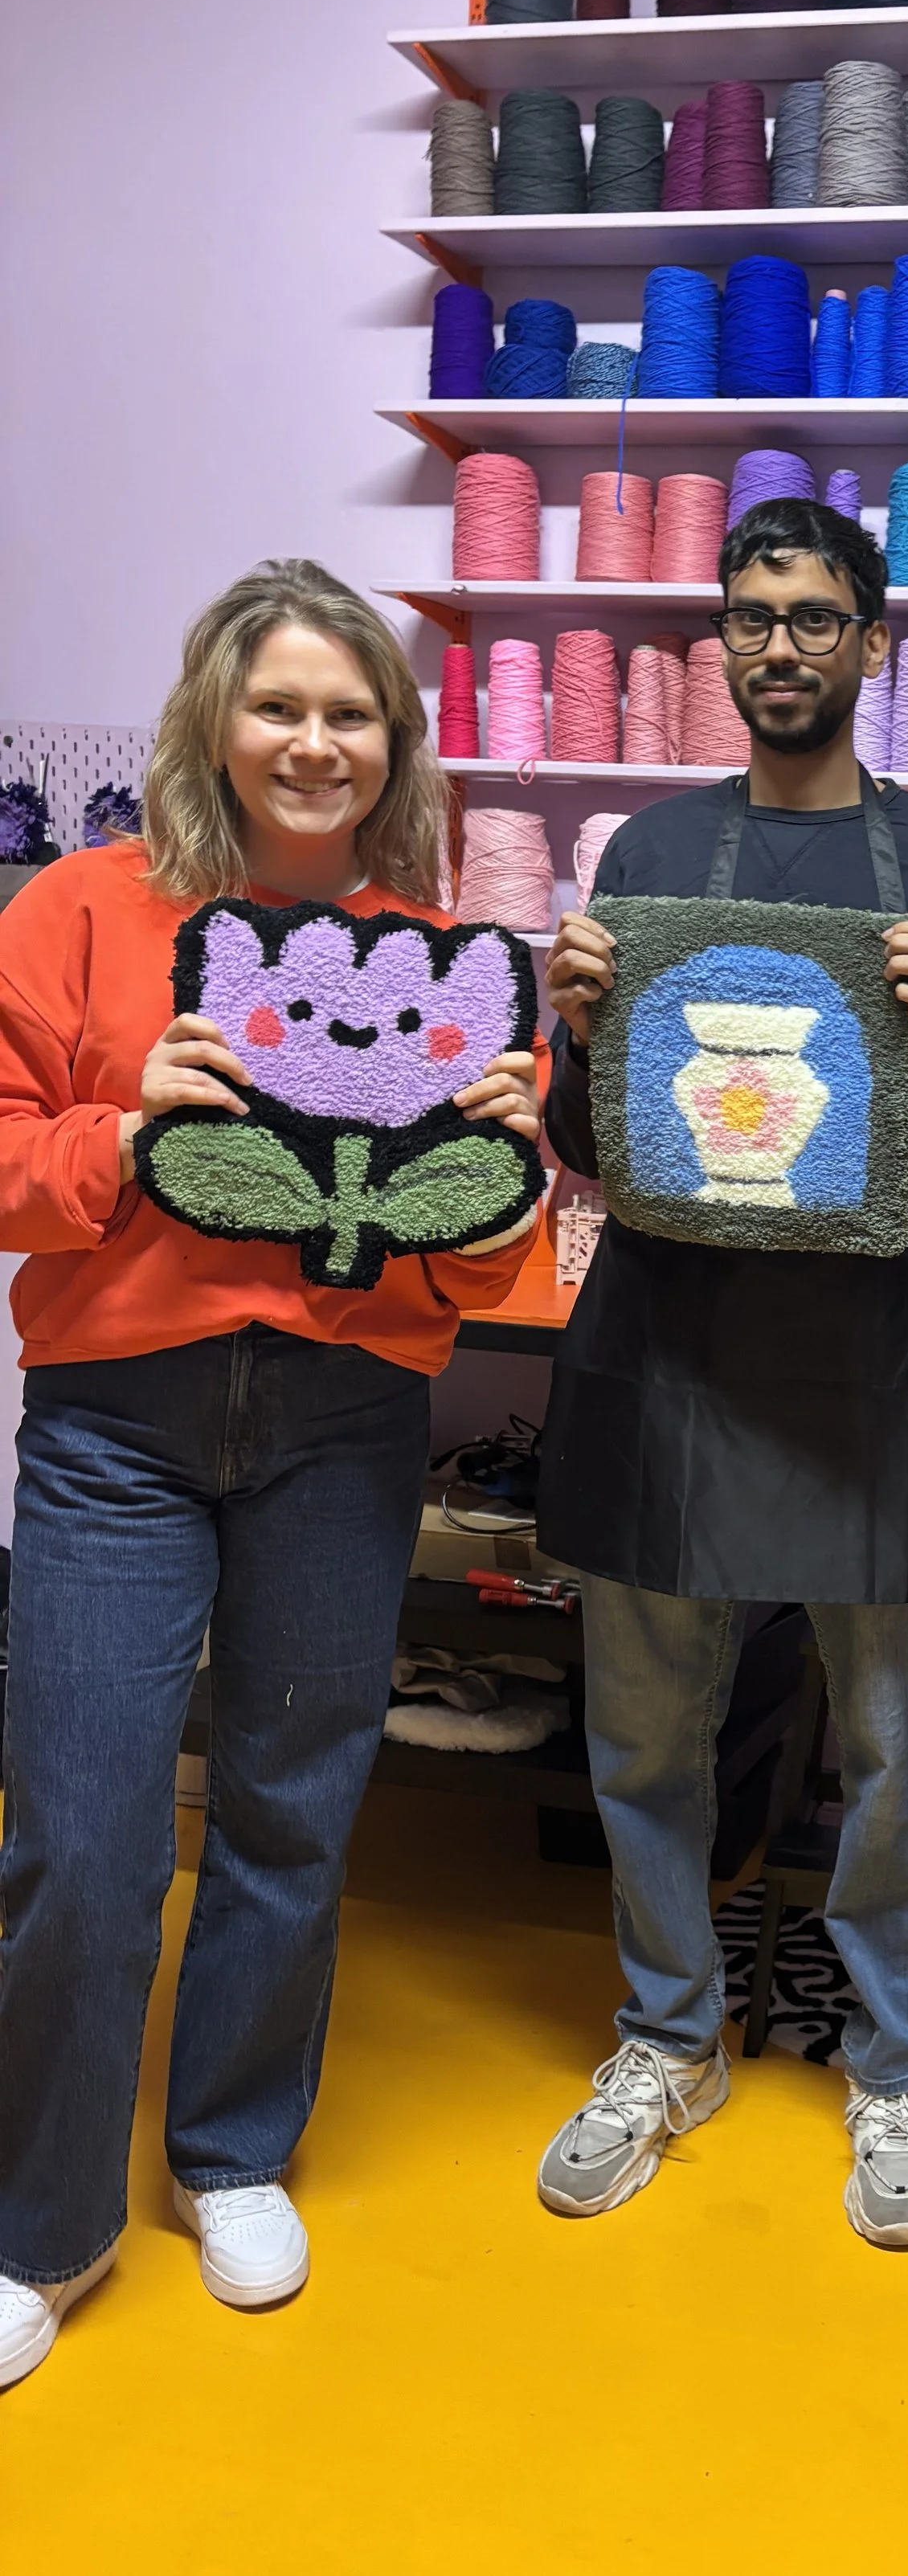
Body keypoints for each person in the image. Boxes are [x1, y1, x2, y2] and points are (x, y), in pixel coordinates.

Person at [0, 562, 546, 2390]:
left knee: (292, 1810)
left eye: (352, 713)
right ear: (213, 719)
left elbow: (479, 1280)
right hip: (113, 1430)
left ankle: (229, 2150)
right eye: (280, 705)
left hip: (339, 1424)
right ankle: (40, 2223)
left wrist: (504, 1174)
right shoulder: (78, 913)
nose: (314, 741)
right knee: (79, 1835)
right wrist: (124, 1127)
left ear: (394, 745)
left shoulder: (446, 962)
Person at [534, 499, 908, 2248]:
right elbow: (587, 1146)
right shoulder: (642, 854)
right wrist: (578, 1029)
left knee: (890, 1755)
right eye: (752, 615)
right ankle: (668, 2037)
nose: (782, 645)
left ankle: (892, 2067)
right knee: (645, 1736)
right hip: (665, 1362)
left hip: (866, 1374)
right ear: (718, 641)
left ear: (870, 643)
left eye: (816, 615)